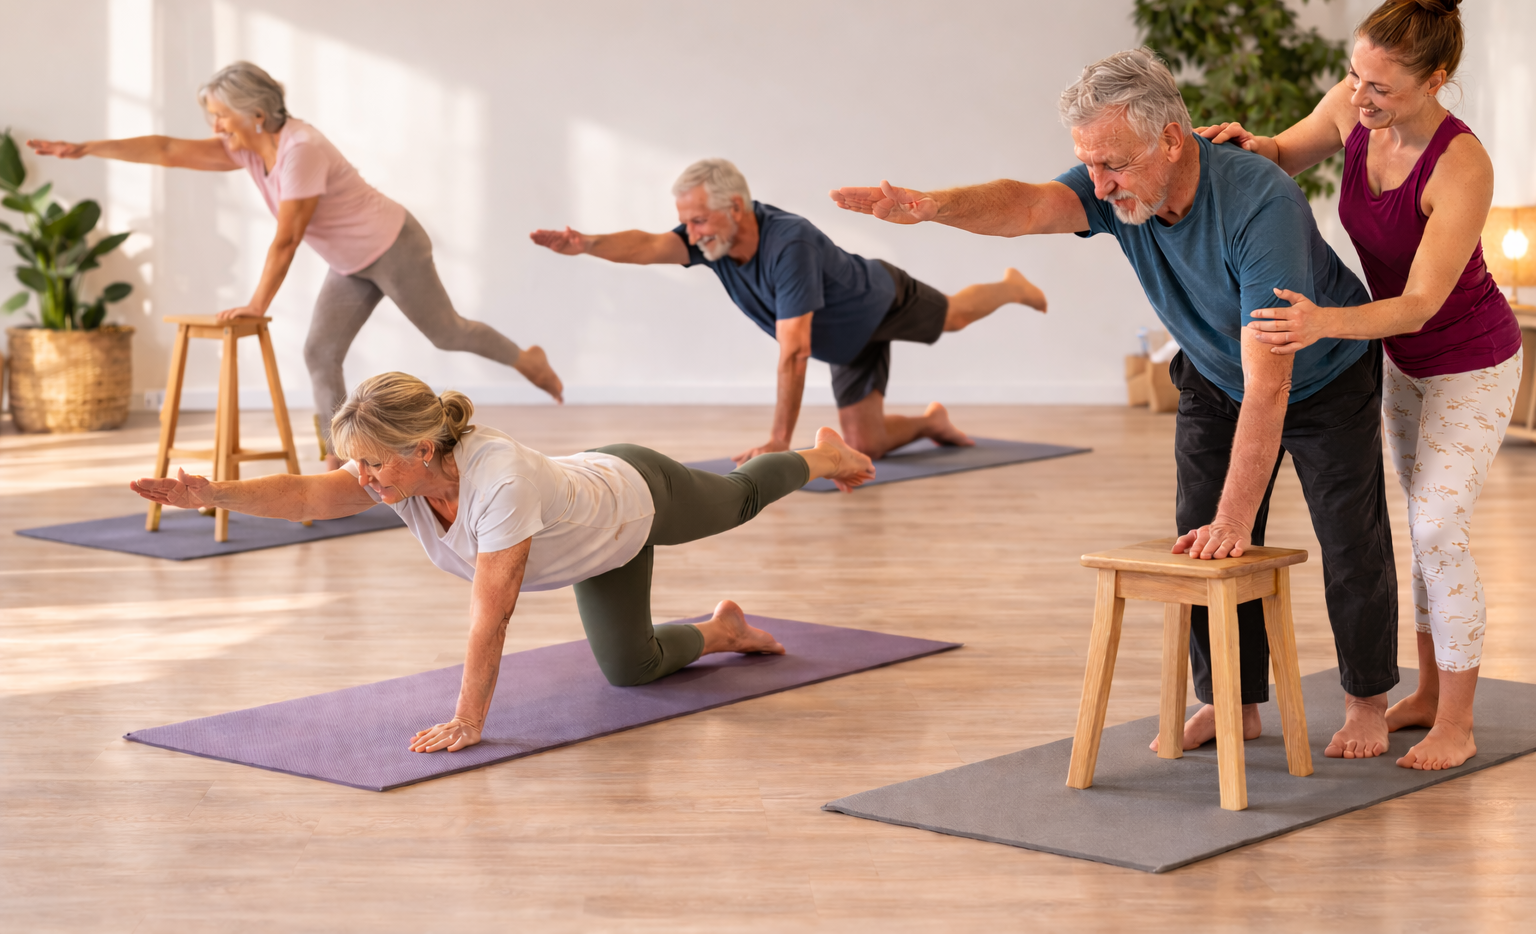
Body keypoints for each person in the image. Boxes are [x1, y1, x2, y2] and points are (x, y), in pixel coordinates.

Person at [832, 48, 1400, 760]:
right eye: (1089, 164)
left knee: (1350, 544)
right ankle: (1231, 702)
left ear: (1171, 138)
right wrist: (933, 207)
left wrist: (1238, 516)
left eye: (1113, 166)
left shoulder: (1261, 205)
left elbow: (1272, 381)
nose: (1099, 187)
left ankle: (1367, 702)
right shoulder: (1121, 182)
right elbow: (1031, 203)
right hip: (1216, 372)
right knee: (1199, 535)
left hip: (1321, 375)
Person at [129, 371, 876, 754]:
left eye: (371, 464)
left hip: (638, 494)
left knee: (740, 498)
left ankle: (821, 453)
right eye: (353, 462)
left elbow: (494, 613)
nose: (361, 478)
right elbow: (308, 497)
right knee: (631, 668)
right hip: (597, 544)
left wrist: (468, 720)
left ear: (422, 451)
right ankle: (723, 630)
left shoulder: (500, 482)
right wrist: (210, 493)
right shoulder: (399, 475)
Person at [1196, 0, 1523, 771]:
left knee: (1438, 528)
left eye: (1380, 87)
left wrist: (1320, 324)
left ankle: (1457, 720)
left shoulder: (1461, 166)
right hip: (1404, 365)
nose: (1360, 98)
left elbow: (1417, 304)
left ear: (1436, 80)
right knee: (1419, 524)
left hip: (1471, 363)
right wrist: (1251, 147)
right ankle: (1421, 691)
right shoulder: (1353, 106)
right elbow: (1286, 151)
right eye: (1355, 76)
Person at [29, 61, 564, 468]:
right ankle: (341, 458)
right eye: (211, 118)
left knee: (447, 334)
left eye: (220, 116)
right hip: (348, 262)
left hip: (393, 244)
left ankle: (527, 359)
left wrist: (255, 306)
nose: (214, 126)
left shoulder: (299, 149)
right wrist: (86, 148)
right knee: (320, 351)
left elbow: (287, 238)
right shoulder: (244, 148)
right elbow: (167, 149)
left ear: (255, 115)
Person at [529, 158, 1048, 461]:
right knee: (866, 443)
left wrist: (780, 439)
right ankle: (933, 421)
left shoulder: (788, 244)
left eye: (699, 219)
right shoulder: (710, 241)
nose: (690, 232)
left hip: (878, 301)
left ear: (735, 209)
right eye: (685, 221)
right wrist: (588, 243)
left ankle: (1009, 286)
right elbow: (646, 246)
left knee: (954, 315)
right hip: (844, 342)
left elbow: (794, 351)